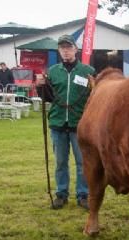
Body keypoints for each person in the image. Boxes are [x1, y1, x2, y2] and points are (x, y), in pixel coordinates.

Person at [36, 34, 95, 210]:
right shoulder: (52, 71)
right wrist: (41, 86)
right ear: (59, 51)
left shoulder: (88, 71)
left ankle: (83, 195)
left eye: (69, 48)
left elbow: (94, 98)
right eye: (62, 48)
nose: (66, 51)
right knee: (61, 162)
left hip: (80, 125)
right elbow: (48, 98)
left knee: (82, 163)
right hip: (58, 123)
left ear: (75, 50)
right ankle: (61, 194)